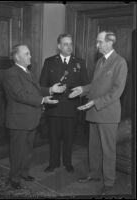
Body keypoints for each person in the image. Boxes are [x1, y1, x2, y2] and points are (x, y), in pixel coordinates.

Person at [69, 31, 128, 194]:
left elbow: (117, 92)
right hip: (93, 111)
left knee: (108, 150)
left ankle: (109, 183)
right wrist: (82, 89)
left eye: (100, 42)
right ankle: (94, 174)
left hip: (107, 113)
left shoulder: (120, 62)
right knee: (93, 147)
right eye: (97, 42)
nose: (97, 45)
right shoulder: (100, 61)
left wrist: (96, 102)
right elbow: (94, 86)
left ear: (109, 43)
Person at [3, 44, 66, 189]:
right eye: (26, 54)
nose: (30, 56)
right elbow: (20, 95)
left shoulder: (29, 72)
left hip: (31, 119)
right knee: (18, 151)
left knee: (27, 149)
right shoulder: (11, 73)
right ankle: (14, 178)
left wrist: (51, 89)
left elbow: (37, 90)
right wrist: (43, 100)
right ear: (17, 57)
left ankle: (24, 173)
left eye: (29, 53)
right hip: (18, 120)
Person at [40, 33, 88, 173]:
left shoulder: (80, 62)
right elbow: (42, 85)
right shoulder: (49, 62)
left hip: (72, 107)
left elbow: (86, 85)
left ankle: (68, 162)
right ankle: (53, 163)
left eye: (71, 44)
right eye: (65, 44)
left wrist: (82, 102)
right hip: (54, 106)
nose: (69, 47)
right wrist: (48, 93)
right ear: (59, 46)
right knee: (53, 137)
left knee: (69, 137)